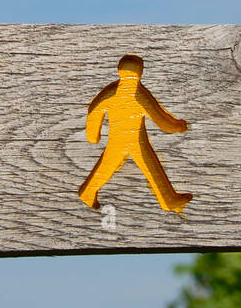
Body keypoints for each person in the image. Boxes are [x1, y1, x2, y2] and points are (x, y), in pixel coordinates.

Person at [78, 54, 192, 214]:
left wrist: (93, 135)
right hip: (135, 140)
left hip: (119, 139)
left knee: (109, 167)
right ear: (140, 72)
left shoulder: (111, 92)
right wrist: (179, 127)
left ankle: (88, 193)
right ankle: (168, 199)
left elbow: (94, 111)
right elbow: (160, 119)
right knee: (150, 168)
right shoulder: (138, 94)